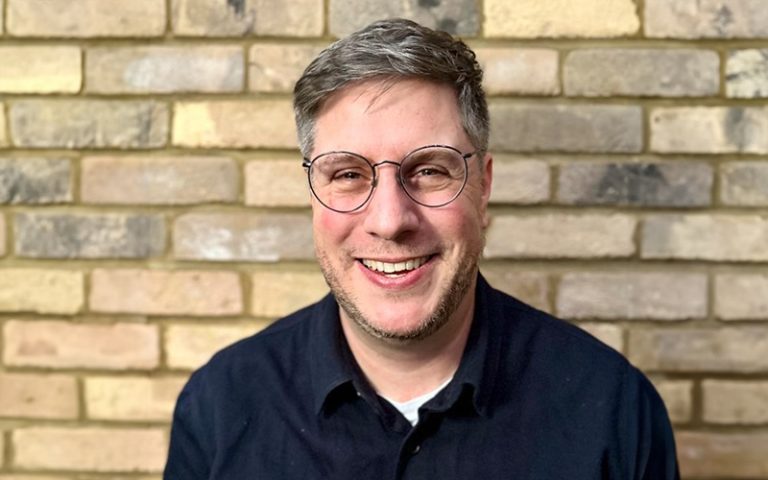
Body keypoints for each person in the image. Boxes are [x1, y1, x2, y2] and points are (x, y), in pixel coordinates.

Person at [164, 18, 679, 479]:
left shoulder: (613, 410)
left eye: (430, 170)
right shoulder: (220, 407)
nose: (390, 221)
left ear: (484, 187)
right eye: (347, 174)